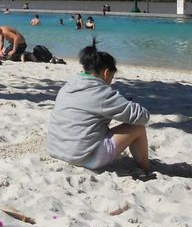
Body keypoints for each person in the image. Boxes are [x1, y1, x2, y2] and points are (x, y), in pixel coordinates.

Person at [46, 42, 152, 174]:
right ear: (106, 73)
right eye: (111, 78)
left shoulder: (68, 86)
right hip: (84, 157)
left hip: (55, 149)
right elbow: (143, 117)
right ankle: (146, 169)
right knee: (138, 128)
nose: (110, 83)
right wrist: (124, 102)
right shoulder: (102, 93)